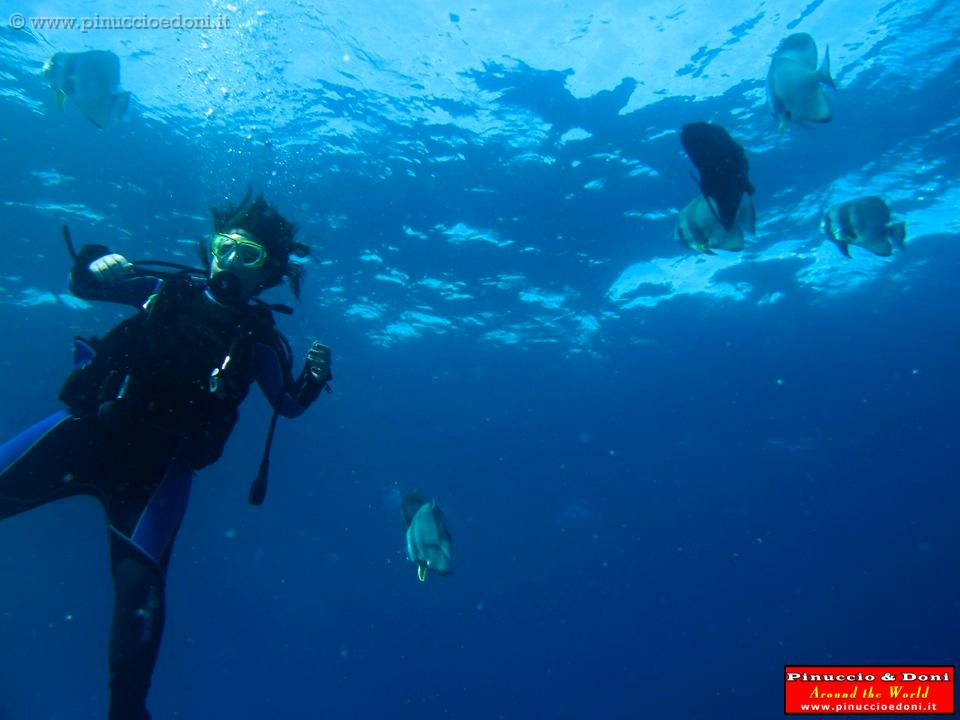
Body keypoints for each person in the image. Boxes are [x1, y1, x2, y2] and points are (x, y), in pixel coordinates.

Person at [0, 192, 332, 719]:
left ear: (267, 269)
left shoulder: (260, 341)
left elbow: (286, 404)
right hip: (90, 432)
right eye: (224, 247)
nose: (228, 261)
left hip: (157, 474)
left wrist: (313, 380)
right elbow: (86, 283)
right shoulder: (164, 291)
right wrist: (95, 256)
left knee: (141, 595)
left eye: (247, 256)